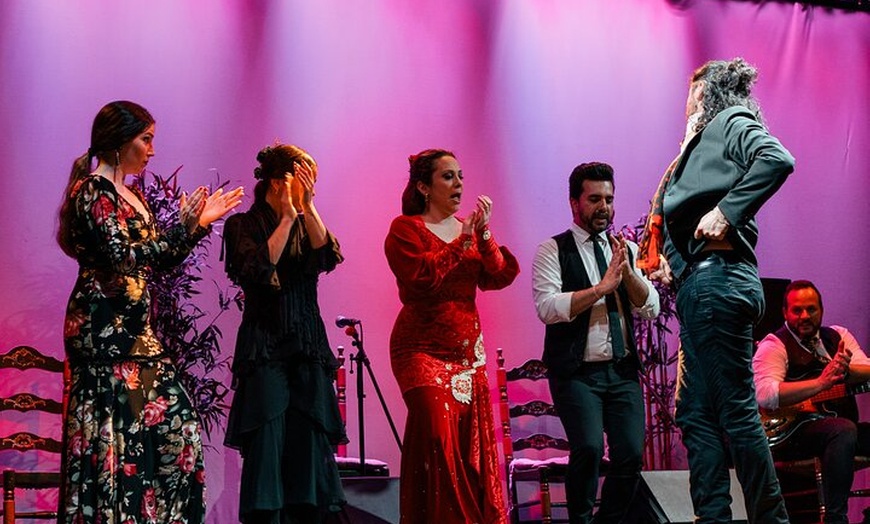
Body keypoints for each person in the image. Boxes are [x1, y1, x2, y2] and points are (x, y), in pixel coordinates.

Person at [57, 100, 244, 523]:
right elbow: (123, 258)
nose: (152, 150)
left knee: (171, 432)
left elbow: (158, 258)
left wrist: (192, 223)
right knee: (120, 442)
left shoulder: (130, 193)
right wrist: (188, 227)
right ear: (121, 141)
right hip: (106, 337)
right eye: (146, 139)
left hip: (136, 339)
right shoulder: (93, 192)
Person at [638, 57, 795, 523]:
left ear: (707, 94)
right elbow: (685, 207)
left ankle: (771, 518)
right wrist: (671, 258)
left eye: (691, 93)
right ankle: (713, 517)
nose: (684, 104)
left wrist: (728, 212)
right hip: (701, 285)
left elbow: (777, 159)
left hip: (718, 283)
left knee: (736, 410)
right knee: (696, 412)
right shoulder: (696, 148)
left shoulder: (729, 120)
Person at [384, 148, 520, 524]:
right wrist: (462, 241)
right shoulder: (405, 229)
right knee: (436, 437)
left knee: (469, 450)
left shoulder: (468, 228)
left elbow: (498, 276)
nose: (459, 183)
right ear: (424, 187)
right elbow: (422, 280)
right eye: (448, 176)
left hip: (466, 354)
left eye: (460, 175)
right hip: (421, 351)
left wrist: (484, 234)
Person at [222, 144, 346, 524]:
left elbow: (327, 255)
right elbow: (256, 269)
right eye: (304, 181)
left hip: (306, 348)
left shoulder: (308, 223)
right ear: (279, 183)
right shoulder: (242, 225)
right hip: (266, 350)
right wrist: (289, 215)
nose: (311, 189)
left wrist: (304, 209)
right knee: (268, 447)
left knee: (309, 450)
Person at [531, 162, 660, 523]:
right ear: (574, 202)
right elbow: (548, 307)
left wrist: (628, 275)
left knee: (631, 455)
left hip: (621, 371)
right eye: (594, 199)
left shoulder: (627, 250)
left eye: (609, 199)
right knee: (587, 448)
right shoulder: (552, 250)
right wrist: (601, 289)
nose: (604, 207)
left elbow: (651, 307)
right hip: (577, 374)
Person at [753, 280, 870, 524]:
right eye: (797, 310)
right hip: (793, 434)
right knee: (843, 430)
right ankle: (836, 519)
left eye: (811, 309)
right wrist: (820, 384)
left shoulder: (839, 336)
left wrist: (846, 371)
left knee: (845, 430)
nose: (805, 316)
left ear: (821, 310)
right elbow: (765, 394)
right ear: (785, 312)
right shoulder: (774, 344)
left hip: (838, 430)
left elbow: (866, 367)